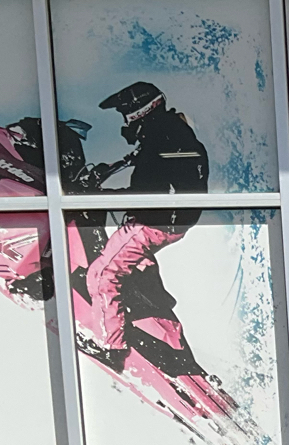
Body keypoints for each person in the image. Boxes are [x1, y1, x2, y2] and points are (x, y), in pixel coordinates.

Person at [86, 82, 209, 370]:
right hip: (175, 222)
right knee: (140, 272)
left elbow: (145, 190)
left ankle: (111, 348)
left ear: (140, 111)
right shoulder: (173, 130)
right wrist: (111, 168)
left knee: (103, 274)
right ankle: (174, 344)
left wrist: (100, 196)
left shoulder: (158, 138)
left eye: (125, 114)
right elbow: (143, 162)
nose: (124, 122)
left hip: (154, 221)